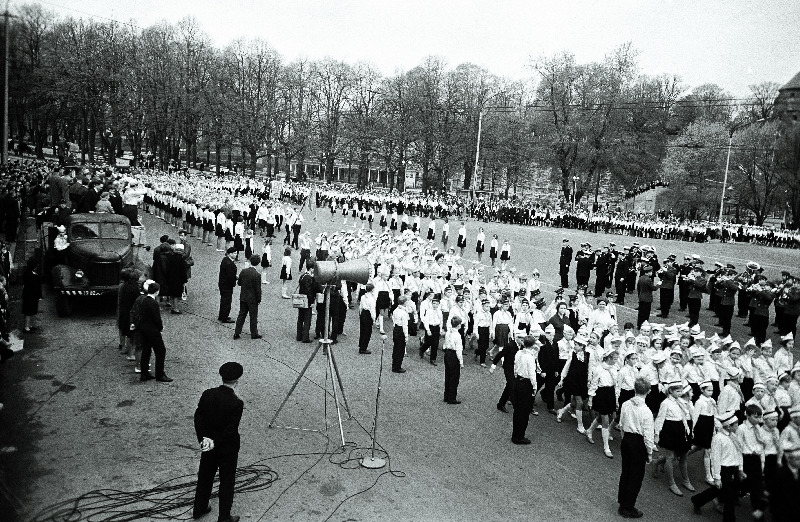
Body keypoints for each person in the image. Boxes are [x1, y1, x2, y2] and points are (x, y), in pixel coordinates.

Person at [192, 362, 244, 522]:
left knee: (205, 477)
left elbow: (198, 418)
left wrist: (204, 440)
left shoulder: (207, 394)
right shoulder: (236, 403)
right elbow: (230, 430)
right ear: (236, 381)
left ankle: (199, 508)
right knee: (226, 482)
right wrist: (217, 442)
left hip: (208, 444)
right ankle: (224, 517)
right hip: (226, 448)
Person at [691, 411, 745, 520]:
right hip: (723, 469)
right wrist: (717, 477)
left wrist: (740, 469)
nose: (737, 426)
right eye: (735, 424)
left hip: (732, 468)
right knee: (729, 498)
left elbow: (738, 453)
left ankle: (697, 500)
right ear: (728, 426)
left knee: (718, 490)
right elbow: (715, 459)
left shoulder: (733, 436)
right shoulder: (718, 438)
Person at [617, 377, 655, 519]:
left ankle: (622, 502)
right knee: (636, 476)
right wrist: (649, 453)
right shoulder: (646, 411)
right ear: (649, 391)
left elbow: (621, 423)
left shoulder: (626, 404)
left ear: (634, 389)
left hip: (626, 438)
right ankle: (629, 507)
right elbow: (648, 435)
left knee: (625, 472)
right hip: (638, 443)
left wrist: (624, 438)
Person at [137, 282, 173, 383]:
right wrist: (160, 327)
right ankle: (160, 374)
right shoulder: (153, 303)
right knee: (161, 351)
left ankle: (144, 373)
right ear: (157, 292)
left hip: (144, 329)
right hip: (152, 330)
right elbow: (157, 318)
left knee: (146, 351)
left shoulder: (144, 300)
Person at [511, 336, 539, 444]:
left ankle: (515, 434)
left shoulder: (519, 353)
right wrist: (535, 387)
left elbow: (515, 366)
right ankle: (520, 436)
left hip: (518, 380)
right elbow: (532, 374)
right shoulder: (529, 357)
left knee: (517, 410)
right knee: (524, 411)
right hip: (526, 383)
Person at [233, 255, 262, 340]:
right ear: (258, 263)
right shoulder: (257, 275)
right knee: (253, 316)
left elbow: (239, 283)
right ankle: (254, 333)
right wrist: (259, 299)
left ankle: (237, 332)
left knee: (241, 314)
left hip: (244, 296)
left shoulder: (244, 271)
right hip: (252, 299)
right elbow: (258, 289)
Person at [442, 315, 464, 404]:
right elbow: (459, 350)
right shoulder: (457, 335)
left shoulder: (448, 332)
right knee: (454, 377)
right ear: (458, 325)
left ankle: (446, 396)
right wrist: (461, 362)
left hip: (447, 353)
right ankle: (452, 398)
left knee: (448, 375)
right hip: (453, 355)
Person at [296, 259, 315, 343]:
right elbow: (309, 291)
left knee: (300, 318)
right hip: (307, 300)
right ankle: (305, 337)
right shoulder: (309, 278)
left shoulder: (303, 276)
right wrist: (311, 302)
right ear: (311, 269)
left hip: (301, 298)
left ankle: (299, 335)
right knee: (307, 319)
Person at [21, 257, 42, 333]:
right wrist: (39, 295)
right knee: (28, 312)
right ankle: (26, 327)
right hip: (30, 296)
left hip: (28, 295)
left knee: (29, 311)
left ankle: (28, 325)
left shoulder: (27, 273)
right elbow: (35, 286)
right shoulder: (32, 275)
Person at [218, 247, 238, 323]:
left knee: (223, 300)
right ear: (230, 254)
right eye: (235, 253)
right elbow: (230, 277)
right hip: (227, 285)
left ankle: (221, 315)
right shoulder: (229, 264)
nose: (236, 255)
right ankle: (225, 317)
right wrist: (234, 281)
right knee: (227, 301)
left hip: (222, 283)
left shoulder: (225, 259)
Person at [391, 295, 409, 373]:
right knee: (400, 349)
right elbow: (405, 325)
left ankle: (394, 365)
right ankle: (397, 367)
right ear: (404, 303)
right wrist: (406, 336)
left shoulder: (396, 310)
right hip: (401, 330)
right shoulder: (404, 313)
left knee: (396, 348)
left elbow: (393, 319)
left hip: (396, 328)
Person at [358, 283, 376, 355]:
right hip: (368, 314)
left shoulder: (363, 296)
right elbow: (372, 310)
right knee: (367, 331)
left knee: (362, 330)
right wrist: (374, 319)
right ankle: (363, 347)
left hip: (363, 313)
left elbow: (360, 307)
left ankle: (361, 345)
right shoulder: (372, 299)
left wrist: (360, 314)